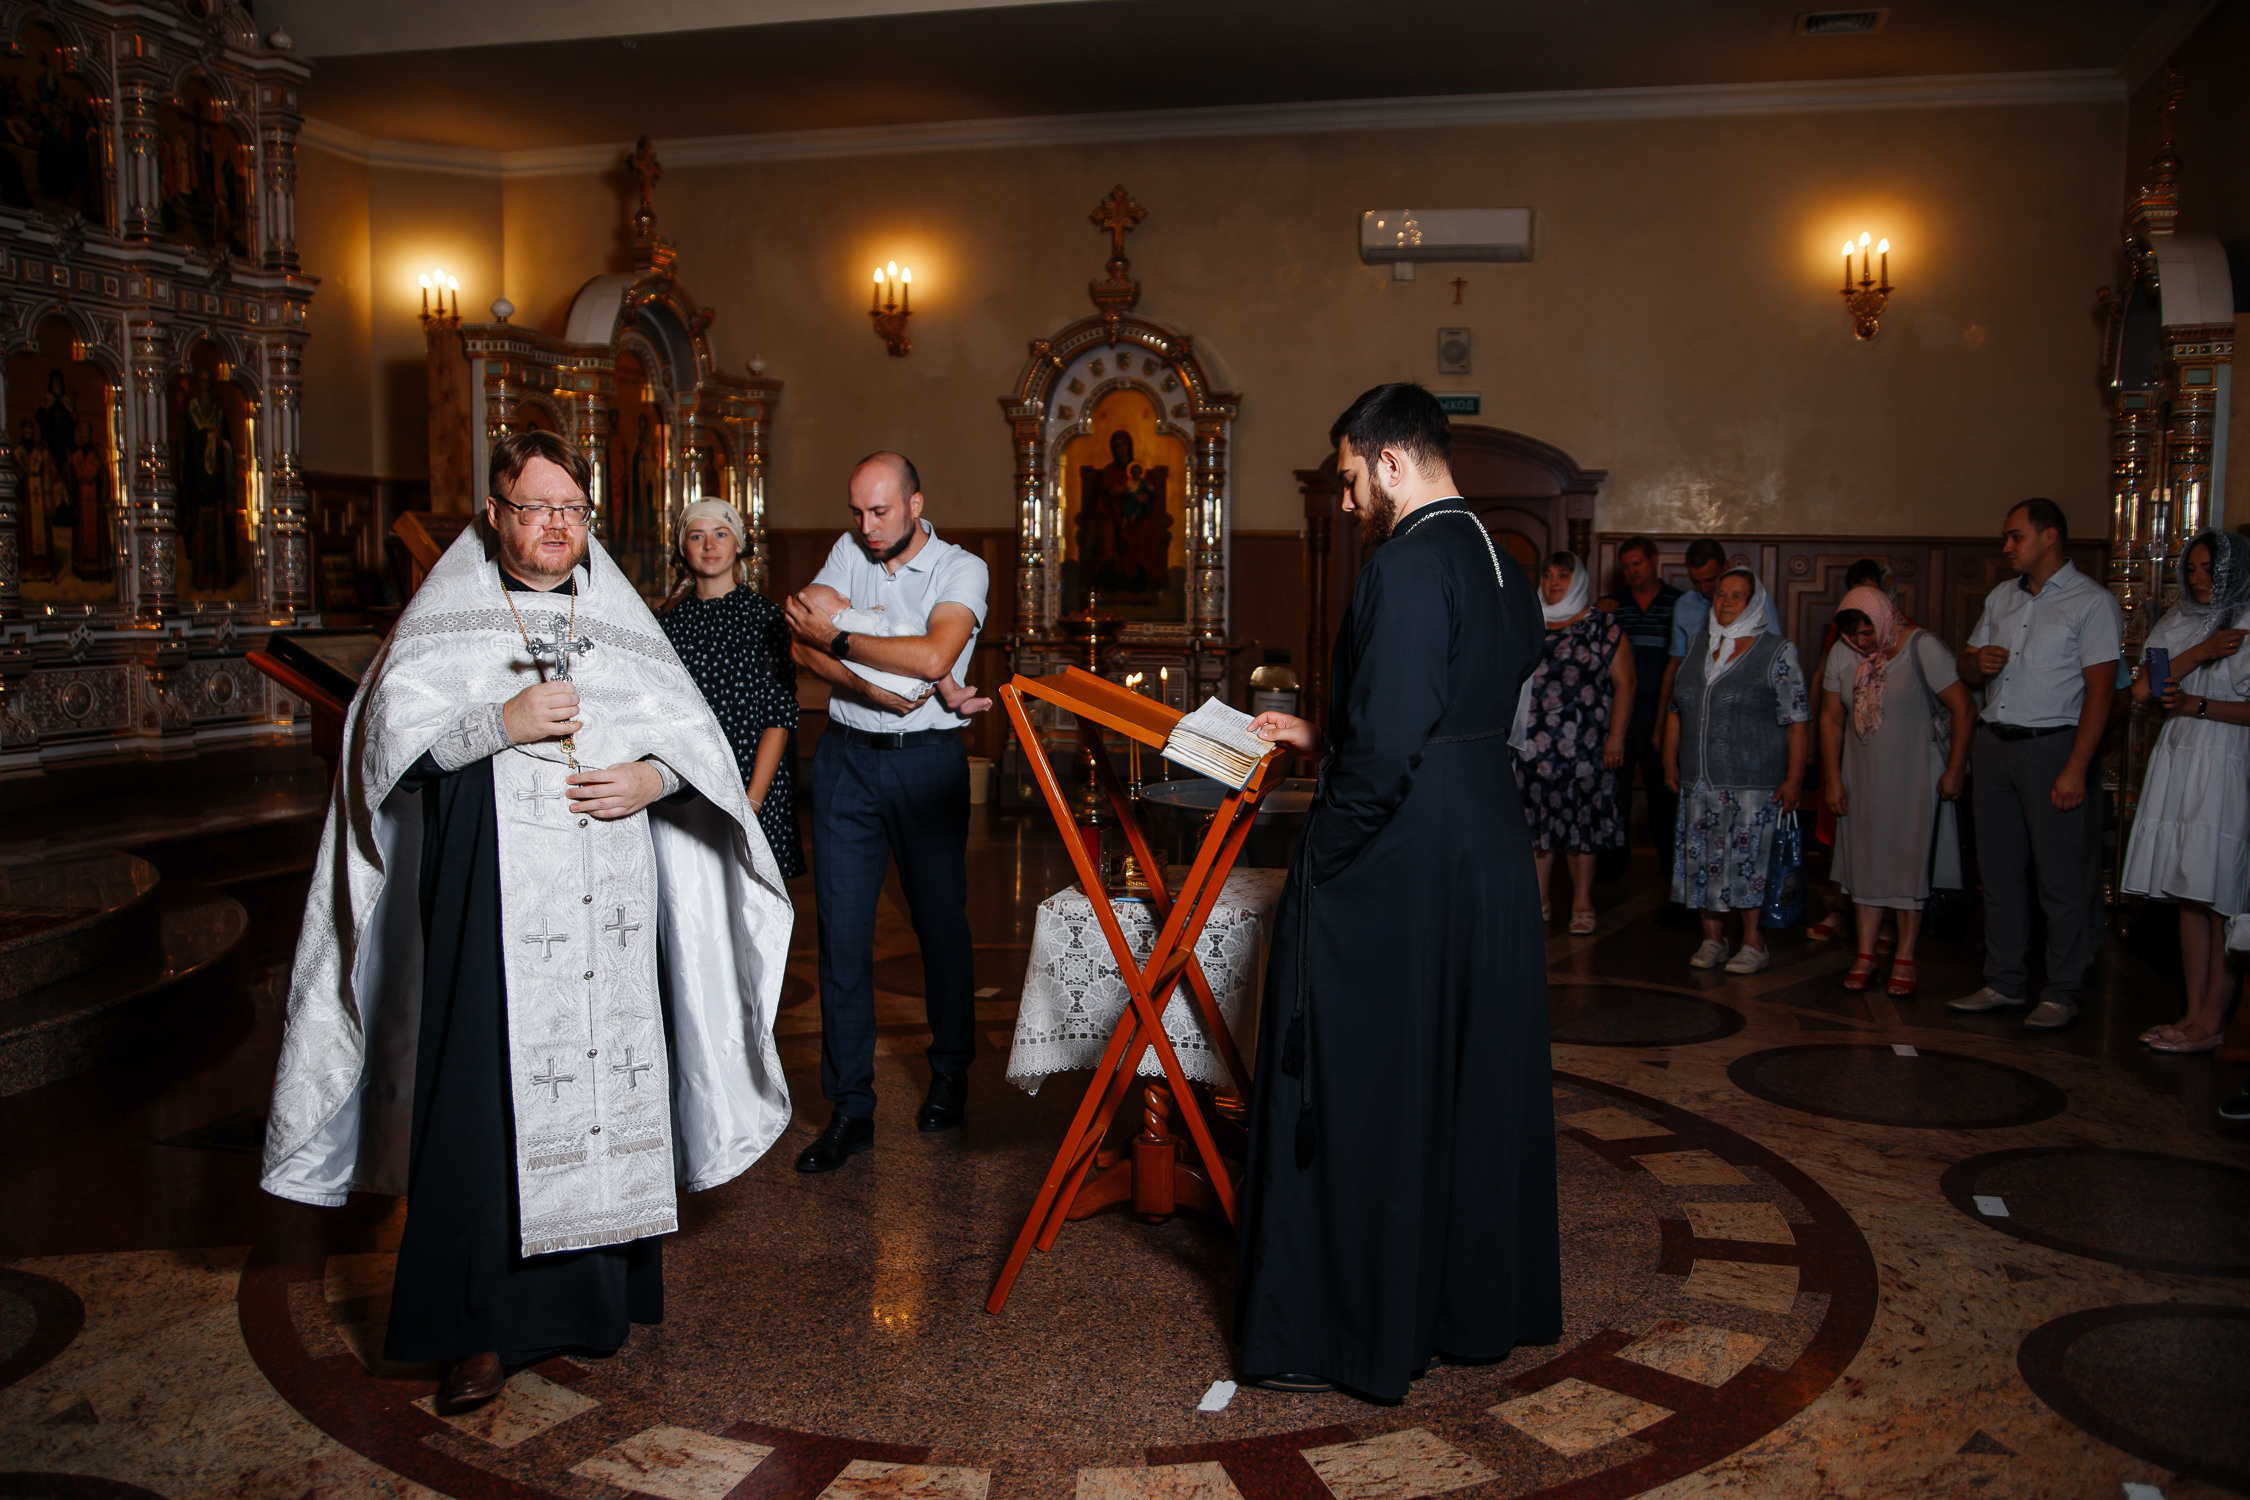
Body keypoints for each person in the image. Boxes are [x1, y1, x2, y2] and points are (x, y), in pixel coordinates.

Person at [260, 430, 795, 1411]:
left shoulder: (621, 617)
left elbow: (698, 748)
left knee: (608, 1080)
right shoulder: (449, 616)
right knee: (483, 1097)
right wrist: (493, 725)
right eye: (534, 507)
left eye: (570, 509)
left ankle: (594, 1302)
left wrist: (654, 776)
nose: (554, 526)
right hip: (489, 901)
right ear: (495, 514)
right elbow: (383, 749)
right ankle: (474, 1332)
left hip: (615, 912)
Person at [1235, 382, 1559, 1401]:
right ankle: (1463, 1309)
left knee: (1368, 1076)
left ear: (1386, 461)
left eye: (1346, 479)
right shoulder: (1502, 564)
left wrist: (1324, 861)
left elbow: (1388, 751)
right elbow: (1454, 703)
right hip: (1485, 844)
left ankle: (1340, 1328)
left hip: (1409, 856)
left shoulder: (1412, 562)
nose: (1344, 502)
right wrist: (1321, 735)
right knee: (1461, 1078)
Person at [782, 452, 988, 1170]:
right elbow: (794, 626)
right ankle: (850, 1109)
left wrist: (838, 635)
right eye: (857, 513)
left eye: (881, 512)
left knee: (940, 925)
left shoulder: (962, 570)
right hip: (845, 758)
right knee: (841, 936)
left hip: (926, 764)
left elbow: (935, 658)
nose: (866, 528)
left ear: (915, 504)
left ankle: (951, 1070)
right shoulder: (849, 550)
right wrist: (865, 683)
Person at [1949, 498, 2121, 1031]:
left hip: (2053, 747)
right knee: (1999, 874)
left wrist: (2076, 767)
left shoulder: (2091, 603)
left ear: (2049, 537)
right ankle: (2004, 981)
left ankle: (2063, 989)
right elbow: (1967, 664)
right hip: (1994, 745)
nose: (2006, 547)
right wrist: (1976, 662)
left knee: (2060, 878)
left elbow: (2101, 694)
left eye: (2015, 536)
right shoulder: (2003, 596)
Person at [2120, 530, 2250, 1053]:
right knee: (2189, 894)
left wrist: (2198, 706)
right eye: (2191, 569)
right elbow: (2144, 688)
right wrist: (2198, 652)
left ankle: (2214, 1018)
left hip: (2229, 756)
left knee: (2219, 892)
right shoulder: (2177, 623)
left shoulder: (2247, 623)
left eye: (2207, 571)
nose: (2197, 579)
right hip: (2179, 755)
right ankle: (2194, 1011)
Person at [1818, 587, 1974, 997]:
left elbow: (1963, 706)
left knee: (1908, 859)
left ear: (1885, 618)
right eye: (1855, 633)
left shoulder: (1922, 648)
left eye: (1869, 631)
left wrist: (1956, 769)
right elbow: (1832, 719)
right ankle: (1866, 953)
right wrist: (1832, 779)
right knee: (1864, 861)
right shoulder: (1843, 654)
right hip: (1861, 774)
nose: (1864, 641)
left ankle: (1905, 953)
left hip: (1915, 773)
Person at [1665, 567, 1810, 974]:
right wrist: (1669, 758)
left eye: (1737, 596)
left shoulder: (1776, 651)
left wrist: (1795, 778)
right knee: (1702, 863)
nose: (1726, 602)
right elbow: (1677, 707)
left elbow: (1797, 717)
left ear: (1755, 603)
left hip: (1754, 783)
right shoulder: (1697, 645)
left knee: (1748, 864)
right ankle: (1713, 939)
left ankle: (1753, 942)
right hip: (1699, 780)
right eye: (1722, 595)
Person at [657, 499, 805, 880]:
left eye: (720, 534)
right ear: (683, 549)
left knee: (753, 916)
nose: (710, 546)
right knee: (693, 910)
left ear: (738, 543)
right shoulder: (667, 627)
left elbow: (778, 717)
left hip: (752, 787)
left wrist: (751, 802)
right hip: (688, 790)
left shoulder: (768, 619)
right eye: (697, 536)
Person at [1521, 550, 1634, 932]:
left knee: (1581, 828)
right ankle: (1540, 900)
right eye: (1549, 575)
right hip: (1533, 747)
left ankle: (1582, 902)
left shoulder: (1604, 626)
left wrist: (1616, 736)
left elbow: (1626, 684)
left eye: (1563, 575)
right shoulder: (1529, 622)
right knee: (1538, 828)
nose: (1554, 582)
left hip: (1586, 746)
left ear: (1579, 580)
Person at [1807, 558, 1910, 942]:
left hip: (1892, 753)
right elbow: (1823, 679)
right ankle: (1842, 908)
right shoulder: (1843, 634)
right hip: (1849, 748)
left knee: (1886, 836)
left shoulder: (1906, 632)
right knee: (1842, 830)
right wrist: (1815, 734)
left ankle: (1884, 919)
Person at [1597, 537, 1680, 878]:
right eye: (1626, 566)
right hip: (1621, 715)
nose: (1632, 571)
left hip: (1664, 715)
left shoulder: (1679, 603)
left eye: (1638, 563)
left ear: (1654, 561)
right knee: (1615, 792)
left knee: (1664, 795)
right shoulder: (1613, 604)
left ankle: (1670, 867)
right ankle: (1615, 865)